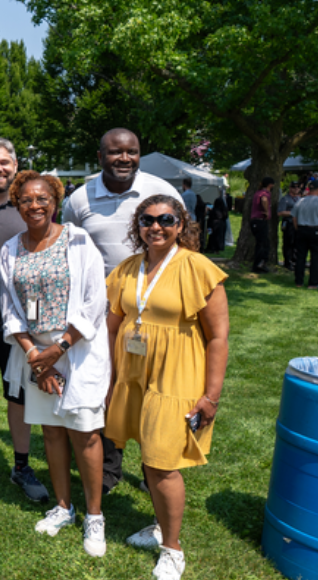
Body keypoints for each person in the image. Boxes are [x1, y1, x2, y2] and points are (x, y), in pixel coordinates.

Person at [106, 194, 229, 580]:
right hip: (133, 373)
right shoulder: (127, 269)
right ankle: (159, 525)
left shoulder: (197, 268)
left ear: (181, 224)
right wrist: (110, 382)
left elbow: (218, 338)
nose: (155, 226)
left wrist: (211, 396)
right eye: (147, 220)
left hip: (175, 375)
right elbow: (112, 328)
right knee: (147, 454)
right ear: (137, 225)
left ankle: (172, 549)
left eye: (166, 219)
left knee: (161, 463)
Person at [62, 127, 182, 494]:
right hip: (101, 317)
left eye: (131, 151)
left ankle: (155, 467)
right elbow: (69, 253)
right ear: (100, 157)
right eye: (115, 152)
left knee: (152, 390)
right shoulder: (79, 199)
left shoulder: (162, 191)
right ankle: (109, 468)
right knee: (108, 388)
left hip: (157, 313)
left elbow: (185, 241)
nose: (124, 158)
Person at [0, 171, 110, 556]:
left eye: (42, 198)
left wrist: (59, 349)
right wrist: (35, 356)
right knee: (51, 433)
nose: (35, 205)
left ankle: (94, 517)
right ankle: (63, 506)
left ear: (55, 201)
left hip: (76, 352)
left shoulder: (78, 240)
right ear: (17, 204)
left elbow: (96, 301)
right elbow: (10, 310)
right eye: (26, 199)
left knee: (85, 432)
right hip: (36, 356)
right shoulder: (10, 249)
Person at [0, 137, 48, 502]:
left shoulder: (30, 205)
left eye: (4, 162)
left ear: (15, 164)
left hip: (21, 325)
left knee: (19, 398)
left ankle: (21, 466)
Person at [292, 181, 318, 289]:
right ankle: (313, 283)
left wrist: (297, 229)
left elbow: (294, 217)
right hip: (315, 230)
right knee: (315, 258)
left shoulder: (300, 201)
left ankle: (299, 282)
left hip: (302, 229)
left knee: (300, 257)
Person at [250, 177, 275, 273]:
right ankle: (259, 265)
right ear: (270, 185)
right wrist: (266, 212)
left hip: (255, 222)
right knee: (263, 244)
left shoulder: (257, 192)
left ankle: (259, 264)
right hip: (260, 221)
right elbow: (264, 200)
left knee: (261, 243)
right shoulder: (265, 193)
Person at [278, 182, 302, 270]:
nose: (296, 189)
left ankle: (295, 261)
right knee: (288, 243)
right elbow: (280, 212)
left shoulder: (300, 199)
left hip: (299, 224)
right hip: (288, 224)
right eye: (294, 187)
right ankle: (288, 262)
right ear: (290, 188)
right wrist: (293, 213)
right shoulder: (285, 199)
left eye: (298, 187)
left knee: (297, 244)